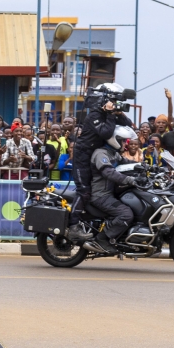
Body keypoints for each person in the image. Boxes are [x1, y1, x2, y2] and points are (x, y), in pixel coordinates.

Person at [67, 84, 133, 241]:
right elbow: (105, 132)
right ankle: (73, 226)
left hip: (94, 155)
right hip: (83, 155)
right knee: (84, 190)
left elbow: (128, 123)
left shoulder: (109, 114)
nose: (113, 103)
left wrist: (117, 112)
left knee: (93, 189)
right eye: (112, 100)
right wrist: (110, 114)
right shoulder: (95, 115)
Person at [89, 126, 142, 254]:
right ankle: (102, 239)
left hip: (111, 193)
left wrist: (146, 167)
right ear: (115, 140)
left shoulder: (114, 154)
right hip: (101, 195)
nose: (126, 144)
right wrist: (130, 180)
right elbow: (109, 173)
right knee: (126, 214)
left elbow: (127, 162)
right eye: (124, 141)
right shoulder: (101, 154)